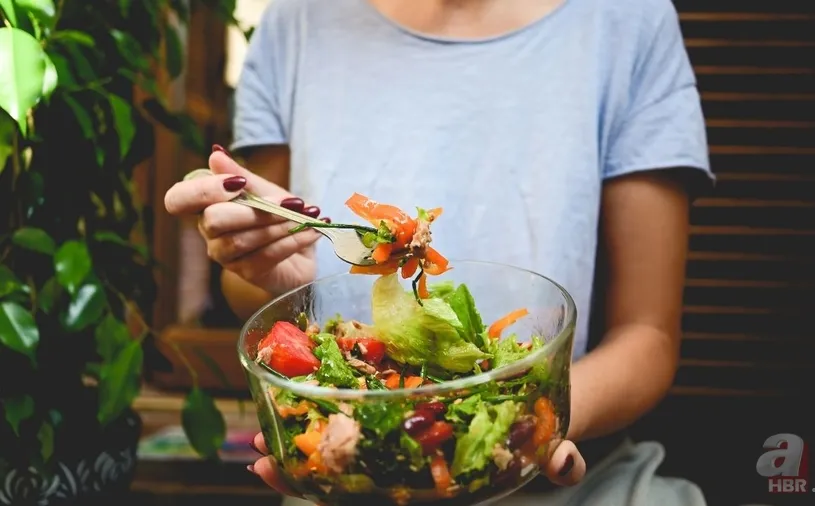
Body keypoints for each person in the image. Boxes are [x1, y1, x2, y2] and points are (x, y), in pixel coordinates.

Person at [164, 0, 713, 504]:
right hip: (351, 468)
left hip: (572, 477)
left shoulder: (629, 18)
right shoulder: (297, 18)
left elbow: (649, 335)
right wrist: (268, 270)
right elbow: (249, 289)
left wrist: (535, 415)